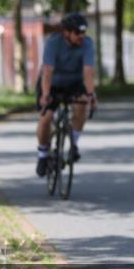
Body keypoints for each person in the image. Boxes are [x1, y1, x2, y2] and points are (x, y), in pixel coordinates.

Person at [36, 12, 97, 177]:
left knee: (81, 106)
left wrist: (91, 95)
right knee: (46, 118)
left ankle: (74, 145)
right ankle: (42, 154)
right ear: (66, 33)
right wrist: (46, 95)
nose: (81, 36)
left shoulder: (87, 44)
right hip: (52, 83)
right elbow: (47, 71)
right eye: (77, 33)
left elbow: (88, 72)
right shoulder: (53, 44)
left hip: (74, 83)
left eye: (83, 32)